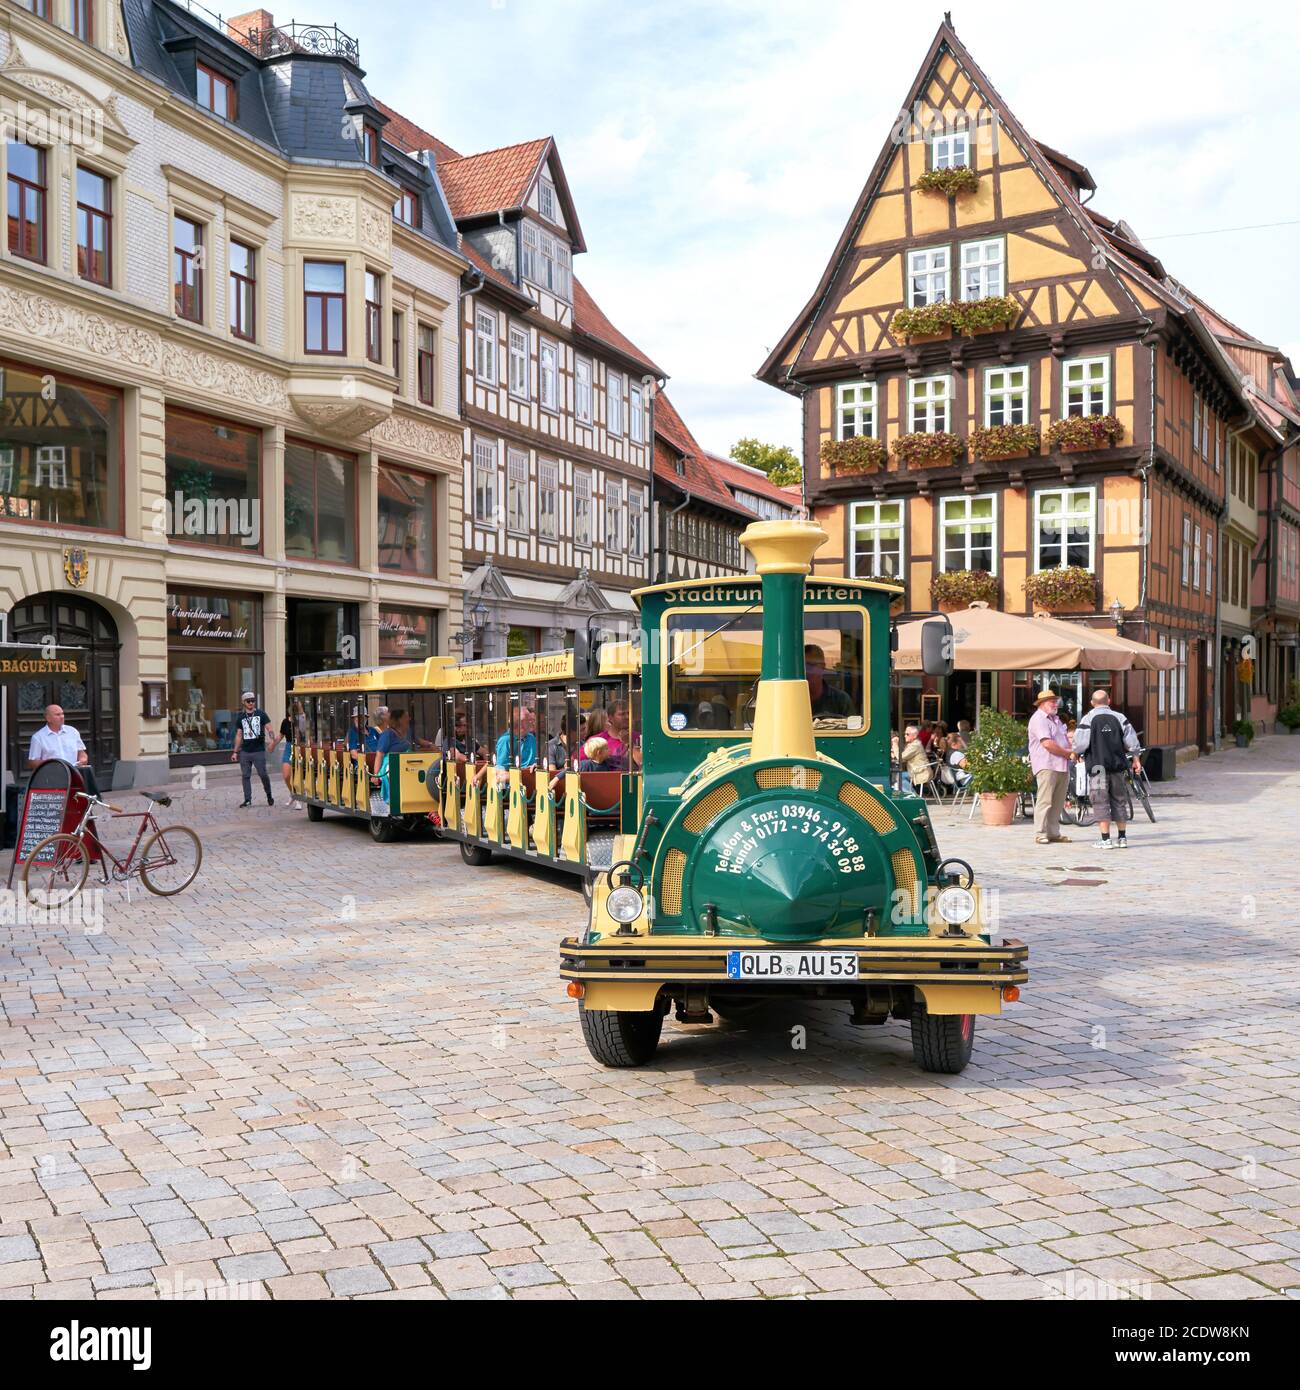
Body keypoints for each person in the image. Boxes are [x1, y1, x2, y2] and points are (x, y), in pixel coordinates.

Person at [1072, 688, 1143, 850]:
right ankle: (1122, 838)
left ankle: (1105, 839)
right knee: (1119, 800)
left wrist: (1075, 753)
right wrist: (1136, 758)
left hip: (1097, 767)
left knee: (1100, 801)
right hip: (1117, 766)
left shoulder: (1088, 719)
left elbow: (1080, 743)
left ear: (1091, 703)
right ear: (1109, 701)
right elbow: (1131, 740)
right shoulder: (1120, 717)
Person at [1028, 687, 1074, 845]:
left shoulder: (1056, 719)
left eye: (1056, 701)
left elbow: (1064, 740)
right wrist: (1068, 753)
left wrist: (1072, 751)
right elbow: (1047, 743)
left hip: (1061, 764)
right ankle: (1040, 833)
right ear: (1041, 704)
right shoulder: (1039, 719)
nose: (1055, 704)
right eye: (1052, 702)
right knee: (1045, 800)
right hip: (1047, 764)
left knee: (1058, 802)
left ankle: (1053, 833)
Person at [27, 704, 99, 794]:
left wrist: (83, 759)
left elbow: (81, 752)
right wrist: (51, 763)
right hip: (51, 779)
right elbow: (32, 762)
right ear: (48, 718)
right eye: (57, 715)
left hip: (74, 775)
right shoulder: (38, 737)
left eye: (62, 714)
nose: (62, 717)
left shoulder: (72, 731)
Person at [231, 692, 275, 808]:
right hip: (245, 751)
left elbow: (269, 728)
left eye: (253, 700)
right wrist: (235, 752)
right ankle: (247, 799)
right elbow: (239, 735)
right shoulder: (241, 717)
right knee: (245, 775)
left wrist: (272, 740)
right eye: (248, 701)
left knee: (263, 774)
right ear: (243, 702)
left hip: (258, 750)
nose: (251, 703)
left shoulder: (261, 714)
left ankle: (269, 795)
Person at [805, 645, 855, 718]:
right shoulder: (790, 698)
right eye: (803, 666)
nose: (806, 671)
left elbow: (854, 727)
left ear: (822, 667)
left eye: (811, 665)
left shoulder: (841, 700)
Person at [273, 712, 300, 810]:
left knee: (295, 774)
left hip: (299, 746)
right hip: (289, 747)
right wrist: (273, 745)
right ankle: (293, 793)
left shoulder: (301, 720)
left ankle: (297, 799)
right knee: (286, 775)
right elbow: (281, 735)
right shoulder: (285, 722)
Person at [899, 723, 932, 795]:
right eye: (905, 734)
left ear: (914, 736)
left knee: (898, 776)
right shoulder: (912, 744)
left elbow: (901, 758)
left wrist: (895, 745)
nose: (905, 736)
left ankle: (913, 795)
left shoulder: (915, 745)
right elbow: (903, 758)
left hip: (920, 773)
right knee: (899, 775)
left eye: (907, 734)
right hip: (917, 771)